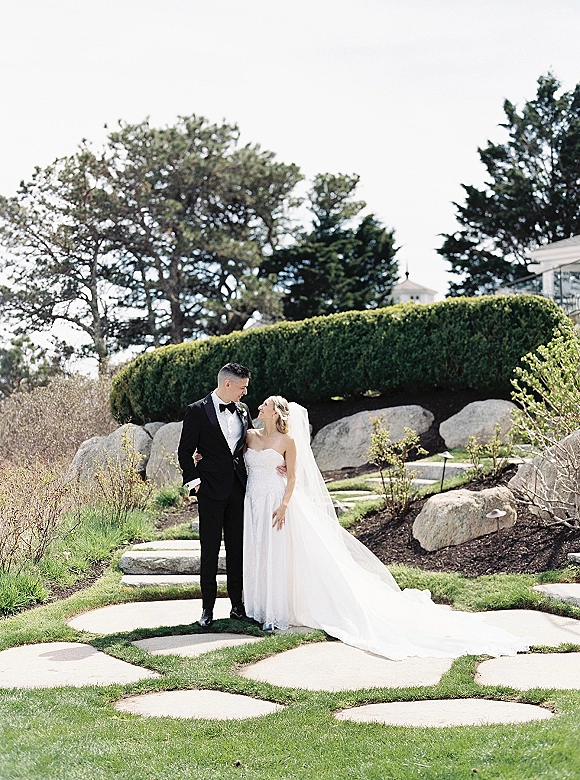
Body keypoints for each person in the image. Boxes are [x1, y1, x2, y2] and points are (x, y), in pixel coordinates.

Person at [242, 396, 534, 660]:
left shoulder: (287, 442)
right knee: (261, 551)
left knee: (280, 554)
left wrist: (284, 505)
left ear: (277, 412)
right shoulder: (250, 436)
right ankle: (259, 605)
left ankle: (277, 611)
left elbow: (292, 477)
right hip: (253, 502)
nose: (260, 407)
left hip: (277, 504)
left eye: (265, 404)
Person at [177, 362, 254, 628]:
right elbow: (184, 452)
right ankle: (207, 609)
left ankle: (237, 606)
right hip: (209, 490)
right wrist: (195, 483)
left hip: (238, 489)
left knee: (237, 550)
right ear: (227, 384)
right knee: (209, 551)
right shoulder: (196, 411)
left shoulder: (243, 410)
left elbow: (249, 445)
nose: (245, 393)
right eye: (242, 387)